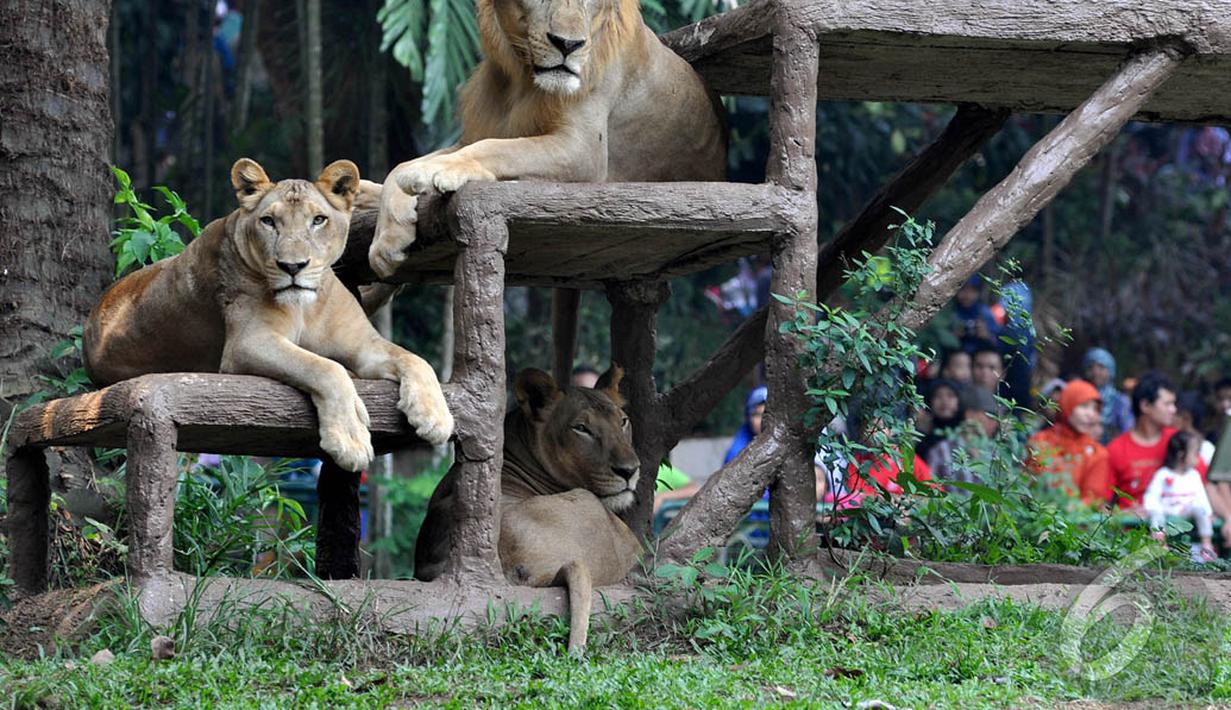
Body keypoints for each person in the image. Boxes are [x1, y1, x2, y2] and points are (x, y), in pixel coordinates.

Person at [1028, 379, 1110, 504]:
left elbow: (1093, 498)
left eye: (1095, 409)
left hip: (1077, 521)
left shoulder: (1098, 453)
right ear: (1067, 404)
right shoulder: (1040, 441)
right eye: (1084, 406)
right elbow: (1030, 487)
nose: (1091, 414)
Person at [1106, 373, 1179, 510]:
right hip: (1129, 529)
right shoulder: (1115, 449)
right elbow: (1102, 504)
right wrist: (1124, 515)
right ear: (1145, 405)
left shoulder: (1178, 441)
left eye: (1173, 403)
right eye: (1167, 404)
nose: (1173, 410)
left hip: (1176, 526)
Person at [1143, 431, 1217, 562]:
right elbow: (1151, 495)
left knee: (1200, 508)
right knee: (1156, 513)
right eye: (1195, 453)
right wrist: (1149, 508)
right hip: (1168, 509)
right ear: (1181, 454)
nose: (1198, 458)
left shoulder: (1194, 475)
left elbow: (1201, 496)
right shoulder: (1162, 474)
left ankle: (1206, 542)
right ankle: (1160, 543)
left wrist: (1208, 512)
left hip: (1188, 509)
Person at [1082, 348, 1134, 444]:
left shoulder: (1119, 401)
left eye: (1101, 367)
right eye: (1090, 367)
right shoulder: (1080, 399)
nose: (1095, 372)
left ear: (1111, 371)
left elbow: (1128, 433)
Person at [952, 275, 1001, 354]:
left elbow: (999, 342)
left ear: (978, 292)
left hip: (980, 357)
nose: (967, 295)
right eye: (963, 289)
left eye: (972, 290)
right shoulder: (950, 311)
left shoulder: (984, 313)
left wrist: (986, 335)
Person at [723, 386, 767, 464]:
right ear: (748, 418)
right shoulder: (737, 454)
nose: (762, 420)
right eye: (757, 415)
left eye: (766, 414)